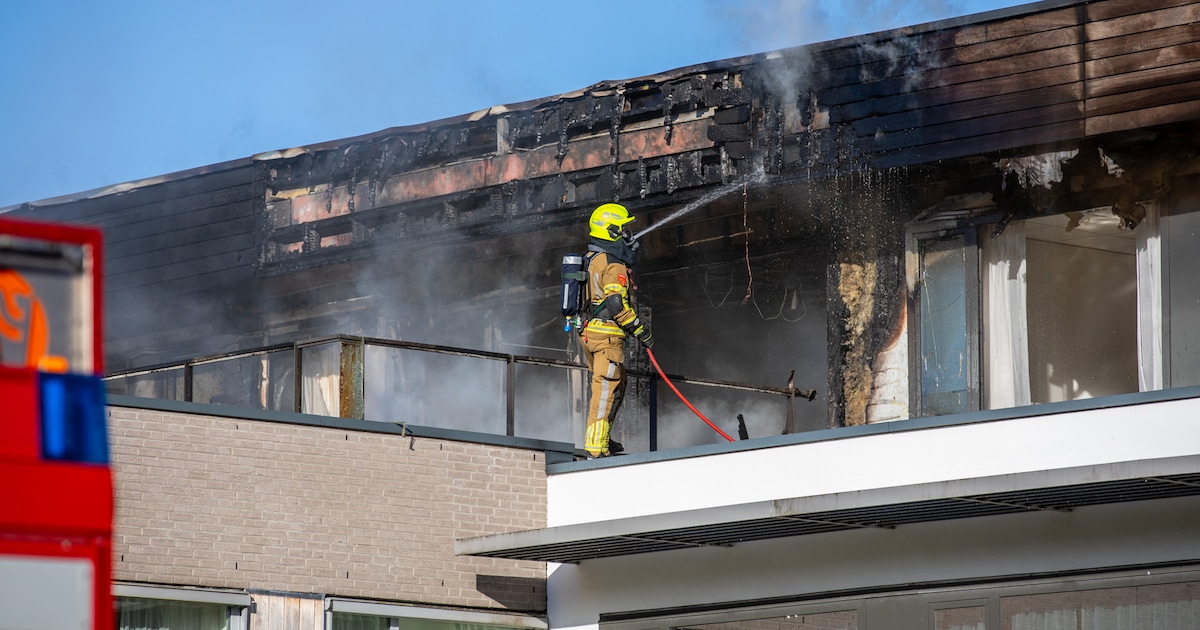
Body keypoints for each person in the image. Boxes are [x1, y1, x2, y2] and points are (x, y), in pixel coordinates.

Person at [580, 203, 653, 457]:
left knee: (617, 386)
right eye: (623, 230)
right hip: (607, 337)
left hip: (591, 334)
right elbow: (615, 304)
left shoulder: (591, 258)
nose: (628, 235)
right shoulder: (613, 264)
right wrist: (639, 329)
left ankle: (604, 438)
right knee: (606, 390)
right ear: (611, 232)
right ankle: (595, 448)